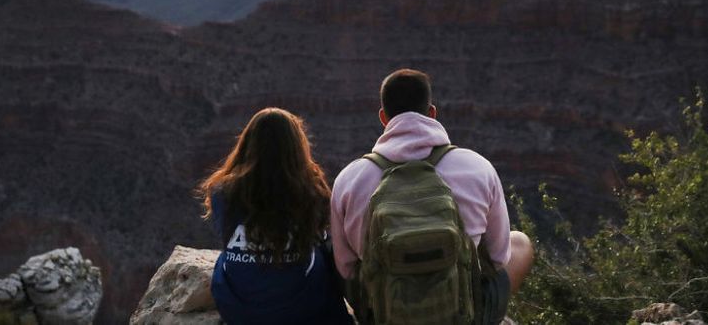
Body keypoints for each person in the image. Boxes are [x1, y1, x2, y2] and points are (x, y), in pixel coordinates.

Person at [331, 69, 535, 324]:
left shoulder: (350, 180)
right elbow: (498, 258)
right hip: (464, 316)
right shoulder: (477, 168)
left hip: (386, 316)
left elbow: (345, 269)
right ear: (432, 113)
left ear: (384, 118)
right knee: (520, 243)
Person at [197, 108, 353, 325]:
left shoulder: (222, 192)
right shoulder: (311, 192)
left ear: (247, 144)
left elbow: (225, 232)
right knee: (328, 249)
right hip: (300, 311)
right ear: (297, 148)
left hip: (238, 310)